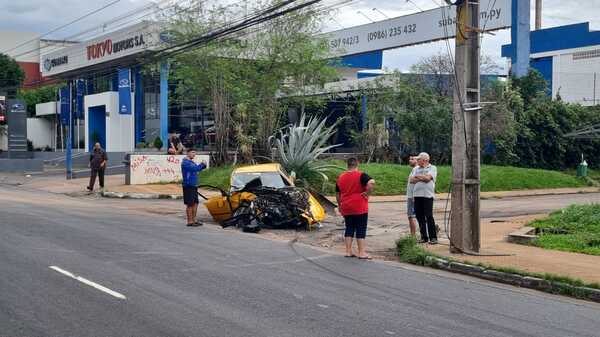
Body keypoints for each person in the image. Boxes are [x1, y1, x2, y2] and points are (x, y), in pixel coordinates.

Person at [335, 157, 375, 259]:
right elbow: (371, 182)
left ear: (347, 165)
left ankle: (348, 251)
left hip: (346, 206)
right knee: (360, 228)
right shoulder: (361, 175)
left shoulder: (340, 177)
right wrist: (367, 192)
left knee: (349, 228)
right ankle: (361, 253)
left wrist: (340, 205)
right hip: (359, 206)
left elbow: (337, 194)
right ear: (357, 164)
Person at [411, 152, 438, 244]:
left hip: (428, 195)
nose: (417, 161)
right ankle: (424, 237)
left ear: (425, 160)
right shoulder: (416, 168)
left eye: (419, 159)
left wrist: (418, 177)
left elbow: (428, 179)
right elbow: (411, 180)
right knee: (419, 216)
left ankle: (433, 237)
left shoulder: (432, 168)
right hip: (417, 195)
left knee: (429, 216)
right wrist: (423, 177)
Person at [181, 148, 207, 227]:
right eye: (192, 152)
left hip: (194, 185)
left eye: (195, 152)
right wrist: (202, 164)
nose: (194, 154)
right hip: (188, 185)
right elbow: (195, 168)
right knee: (190, 204)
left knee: (195, 203)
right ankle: (190, 221)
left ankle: (194, 220)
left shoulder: (191, 162)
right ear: (187, 153)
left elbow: (198, 169)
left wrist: (203, 166)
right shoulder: (185, 162)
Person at [406, 154, 418, 237]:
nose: (410, 160)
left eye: (412, 159)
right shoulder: (414, 169)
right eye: (410, 159)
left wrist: (414, 196)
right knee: (416, 216)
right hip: (412, 196)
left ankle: (412, 236)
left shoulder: (416, 169)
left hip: (412, 197)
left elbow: (416, 183)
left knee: (411, 216)